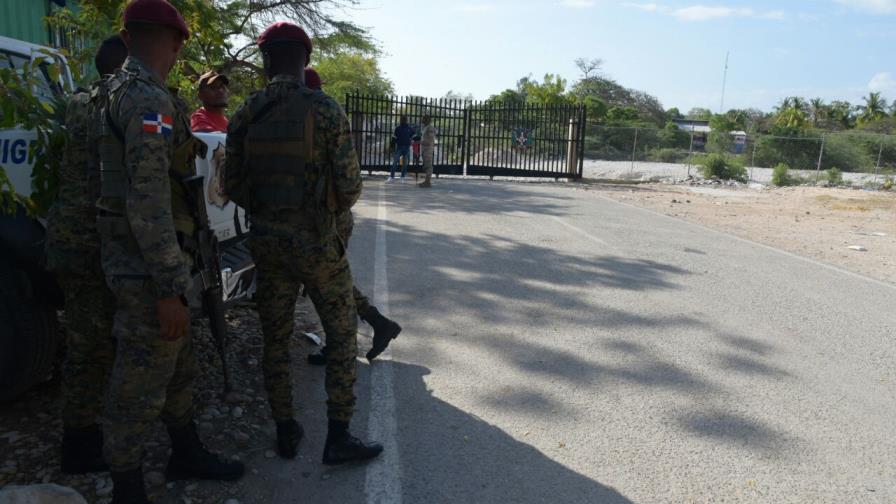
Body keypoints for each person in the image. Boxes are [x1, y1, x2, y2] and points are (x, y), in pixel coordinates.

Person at [96, 1, 244, 501]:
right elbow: (149, 197)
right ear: (177, 43)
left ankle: (186, 450)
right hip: (149, 268)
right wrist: (167, 287)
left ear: (127, 34)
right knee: (139, 381)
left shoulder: (129, 90)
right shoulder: (147, 100)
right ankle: (127, 486)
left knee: (178, 367)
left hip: (164, 258)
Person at [225, 21, 383, 465]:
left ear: (265, 59)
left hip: (267, 244)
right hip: (316, 244)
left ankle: (286, 429)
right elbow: (350, 186)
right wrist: (323, 212)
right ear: (306, 60)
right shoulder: (325, 108)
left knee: (274, 340)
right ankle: (338, 437)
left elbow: (232, 184)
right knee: (340, 331)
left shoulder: (246, 113)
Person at [44, 34, 127, 476]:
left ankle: (88, 432)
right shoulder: (116, 102)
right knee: (90, 347)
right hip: (93, 242)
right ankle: (78, 443)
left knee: (88, 342)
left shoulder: (78, 101)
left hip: (71, 237)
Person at [301, 67, 402, 367]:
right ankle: (377, 323)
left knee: (324, 282)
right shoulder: (326, 116)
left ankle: (343, 342)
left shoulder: (308, 119)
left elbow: (348, 180)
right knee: (329, 279)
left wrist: (329, 212)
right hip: (330, 216)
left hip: (321, 219)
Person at [388, 114, 413, 182]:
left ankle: (402, 177)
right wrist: (391, 146)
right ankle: (391, 176)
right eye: (402, 119)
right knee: (395, 162)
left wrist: (411, 141)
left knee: (404, 164)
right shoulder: (398, 128)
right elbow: (394, 138)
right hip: (399, 147)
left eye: (404, 119)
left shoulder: (409, 128)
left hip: (406, 147)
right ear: (401, 120)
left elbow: (413, 136)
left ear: (406, 120)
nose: (403, 120)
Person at [418, 114, 436, 188]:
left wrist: (421, 142)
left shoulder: (430, 128)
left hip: (428, 149)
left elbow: (430, 140)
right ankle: (426, 181)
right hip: (425, 149)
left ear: (427, 120)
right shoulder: (425, 128)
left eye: (423, 119)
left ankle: (427, 182)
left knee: (428, 166)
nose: (422, 120)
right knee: (426, 166)